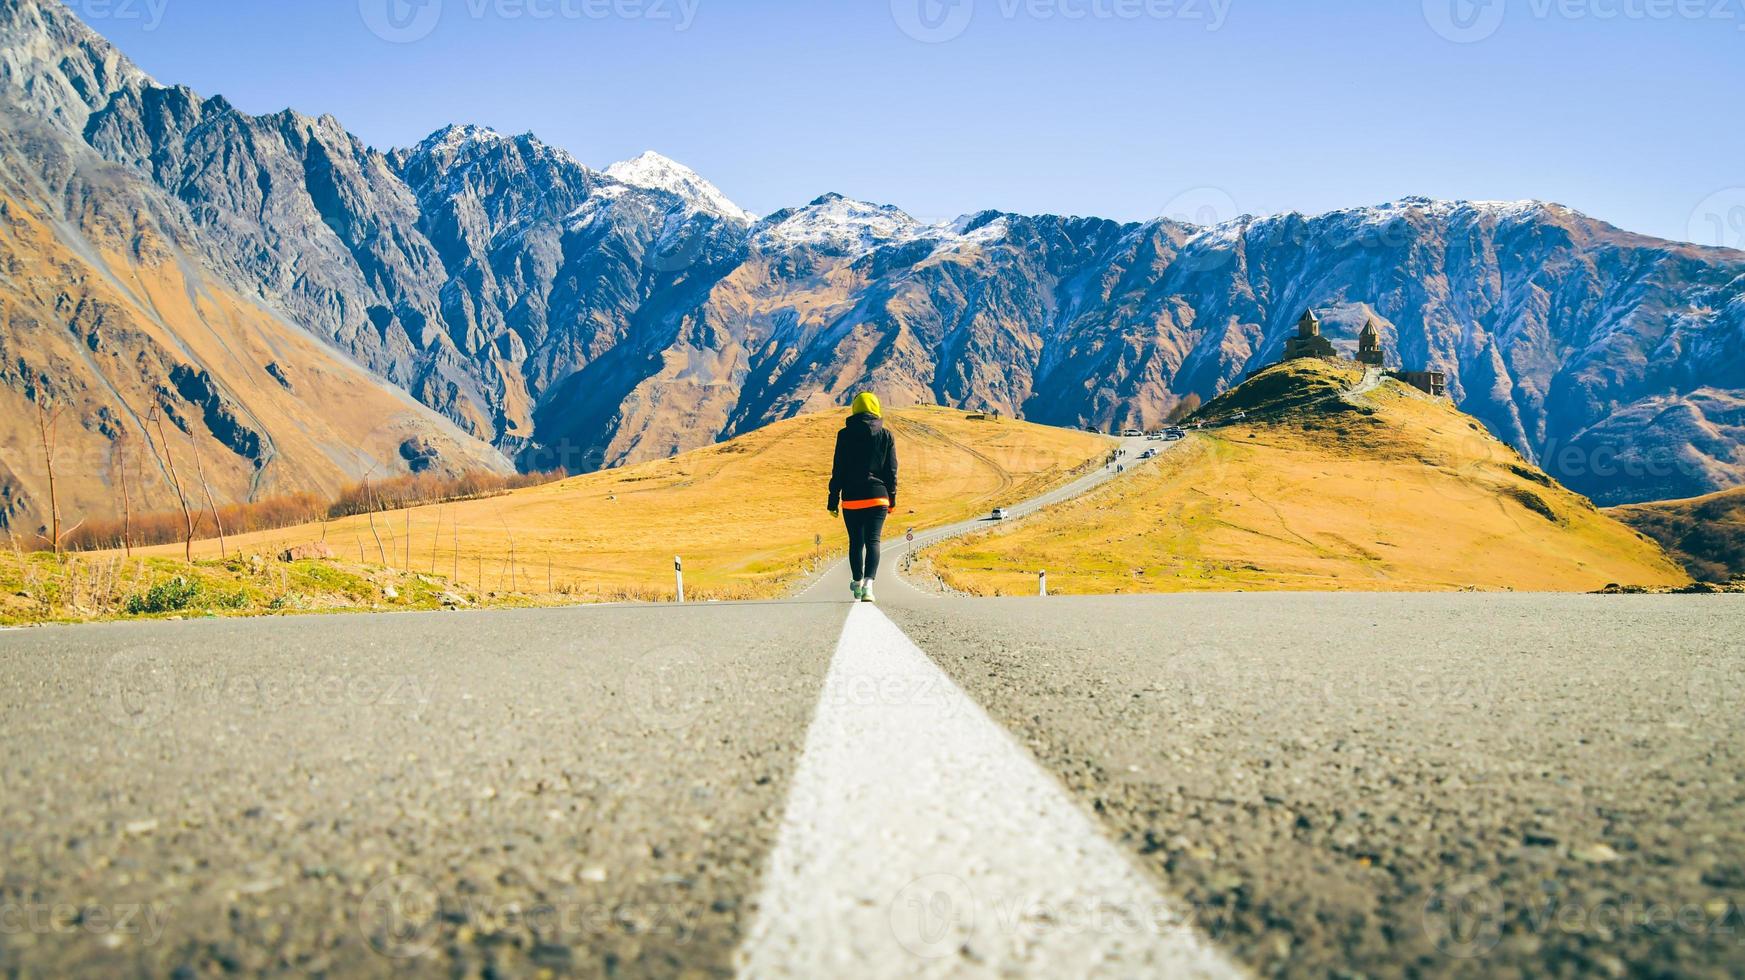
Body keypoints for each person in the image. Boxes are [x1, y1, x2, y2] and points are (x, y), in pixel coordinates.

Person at [828, 392, 898, 603]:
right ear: (876, 409)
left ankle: (857, 583)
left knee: (856, 542)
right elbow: (891, 471)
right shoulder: (886, 436)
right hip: (878, 497)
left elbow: (838, 469)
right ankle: (869, 585)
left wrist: (833, 501)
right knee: (873, 540)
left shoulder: (844, 435)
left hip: (852, 498)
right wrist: (892, 500)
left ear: (855, 409)